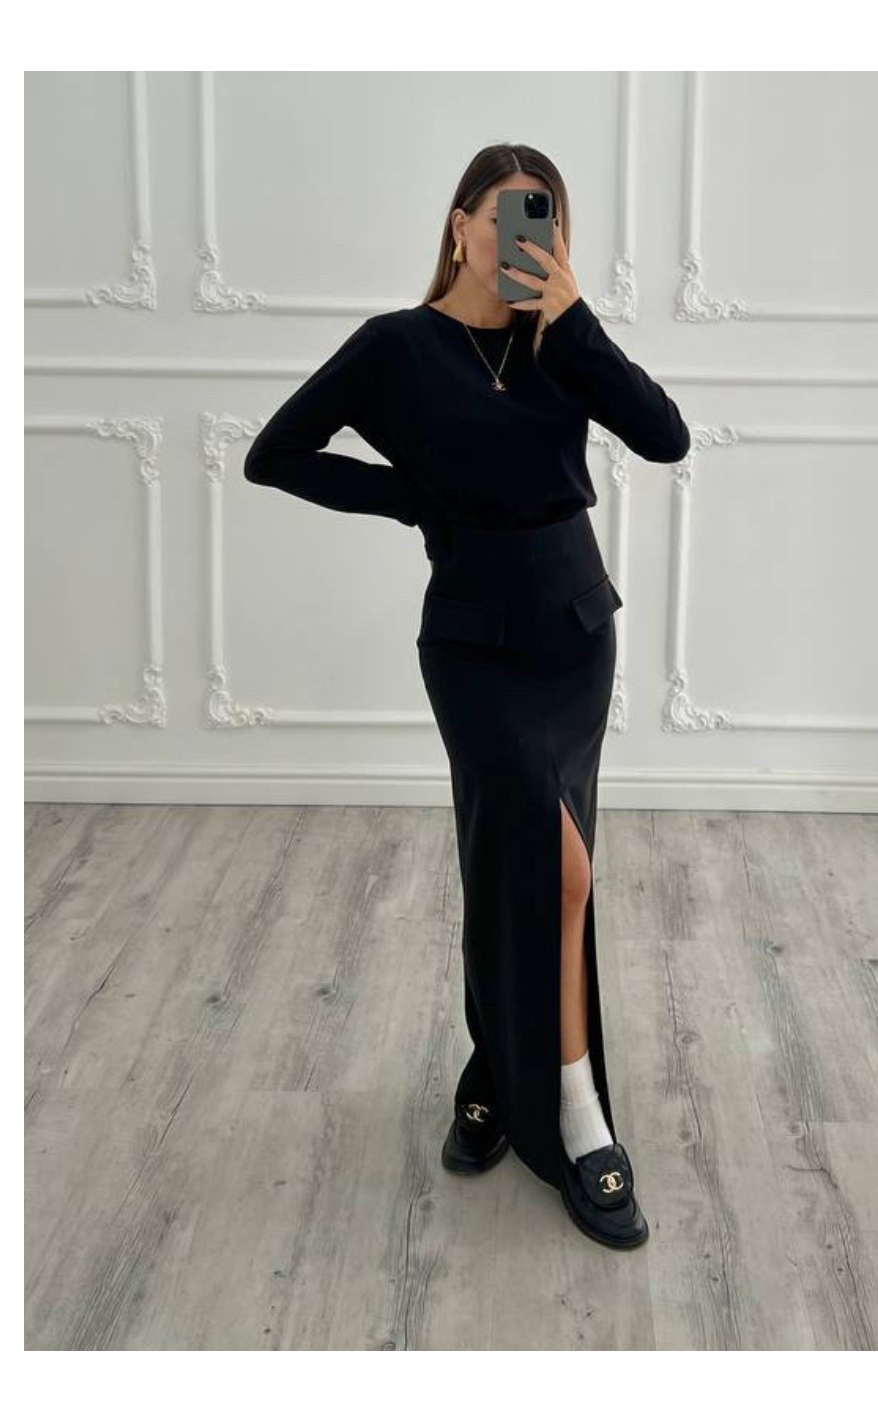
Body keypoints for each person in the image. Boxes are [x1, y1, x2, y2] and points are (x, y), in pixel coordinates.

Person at [244, 143, 690, 1251]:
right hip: (474, 644)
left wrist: (575, 321)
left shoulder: (561, 343)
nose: (524, 239)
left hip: (575, 631)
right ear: (458, 226)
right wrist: (411, 497)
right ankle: (576, 1114)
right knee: (553, 871)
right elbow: (274, 454)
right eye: (505, 217)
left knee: (518, 867)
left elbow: (664, 437)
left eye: (546, 221)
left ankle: (493, 1075)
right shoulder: (396, 347)